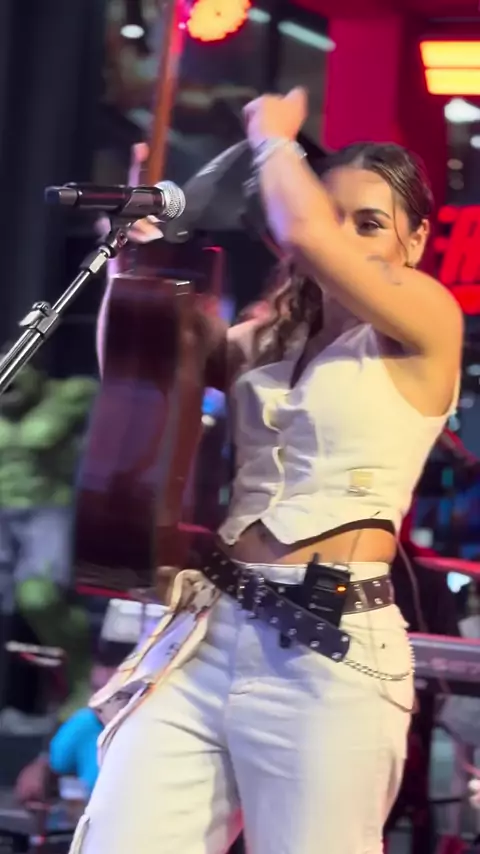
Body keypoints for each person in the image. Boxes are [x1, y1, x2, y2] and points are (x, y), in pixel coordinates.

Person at [71, 88, 463, 854]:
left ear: (415, 241)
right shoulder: (263, 339)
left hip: (328, 653)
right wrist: (132, 259)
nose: (343, 236)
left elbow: (305, 232)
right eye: (333, 215)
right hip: (209, 631)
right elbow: (144, 370)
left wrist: (272, 136)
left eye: (370, 223)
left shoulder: (427, 319)